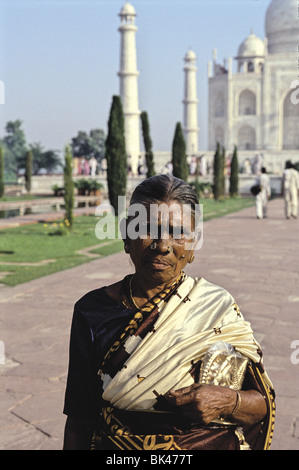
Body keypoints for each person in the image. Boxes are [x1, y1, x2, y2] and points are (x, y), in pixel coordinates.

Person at [63, 174, 275, 451]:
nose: (162, 245)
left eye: (178, 233)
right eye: (148, 228)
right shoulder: (92, 310)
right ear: (127, 235)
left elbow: (261, 404)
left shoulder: (216, 307)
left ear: (193, 244)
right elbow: (80, 418)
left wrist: (228, 401)